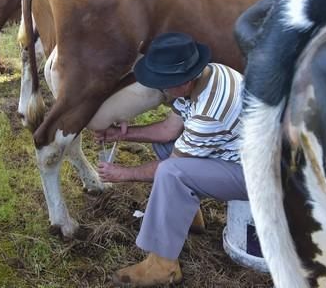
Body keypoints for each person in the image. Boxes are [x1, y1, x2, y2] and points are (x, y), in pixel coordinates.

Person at [94, 33, 247, 287]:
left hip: (251, 175)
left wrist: (123, 173)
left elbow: (170, 166)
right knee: (166, 146)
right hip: (232, 154)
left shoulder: (209, 114)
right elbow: (168, 130)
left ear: (185, 81)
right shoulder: (208, 75)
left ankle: (163, 267)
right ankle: (188, 216)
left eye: (164, 84)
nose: (162, 91)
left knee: (171, 172)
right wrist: (119, 135)